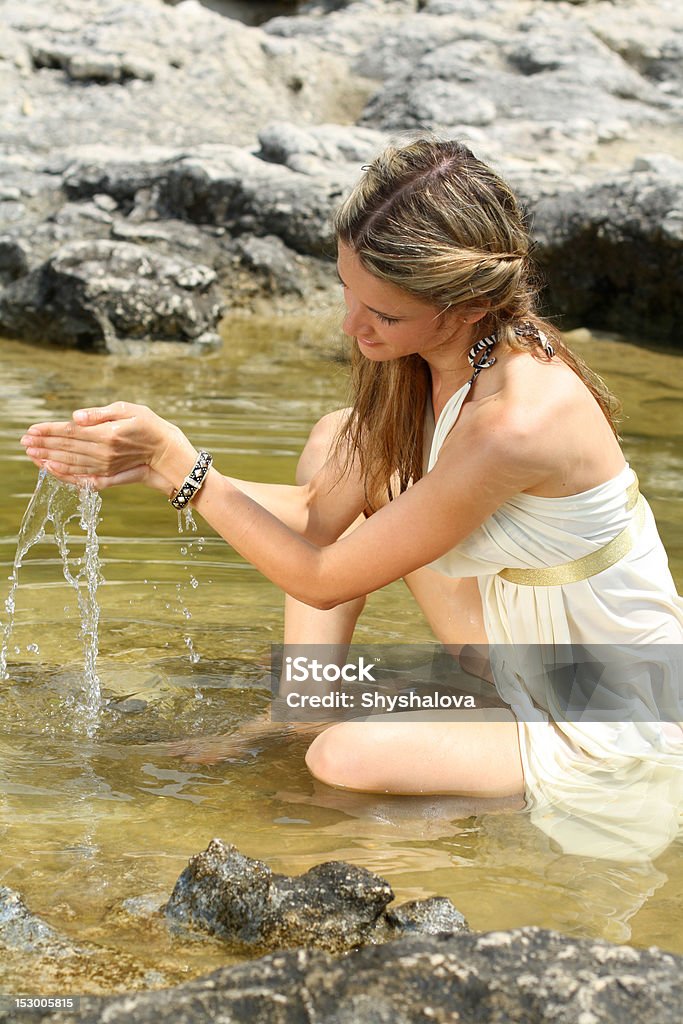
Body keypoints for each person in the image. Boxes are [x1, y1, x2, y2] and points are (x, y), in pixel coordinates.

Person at [20, 139, 683, 860]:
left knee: (343, 762)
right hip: (511, 643)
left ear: (471, 304)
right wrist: (152, 471)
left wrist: (184, 467)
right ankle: (302, 708)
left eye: (383, 315)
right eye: (347, 291)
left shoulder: (517, 423)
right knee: (336, 440)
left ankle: (446, 824)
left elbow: (320, 575)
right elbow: (316, 518)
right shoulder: (426, 357)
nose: (351, 326)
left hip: (612, 701)